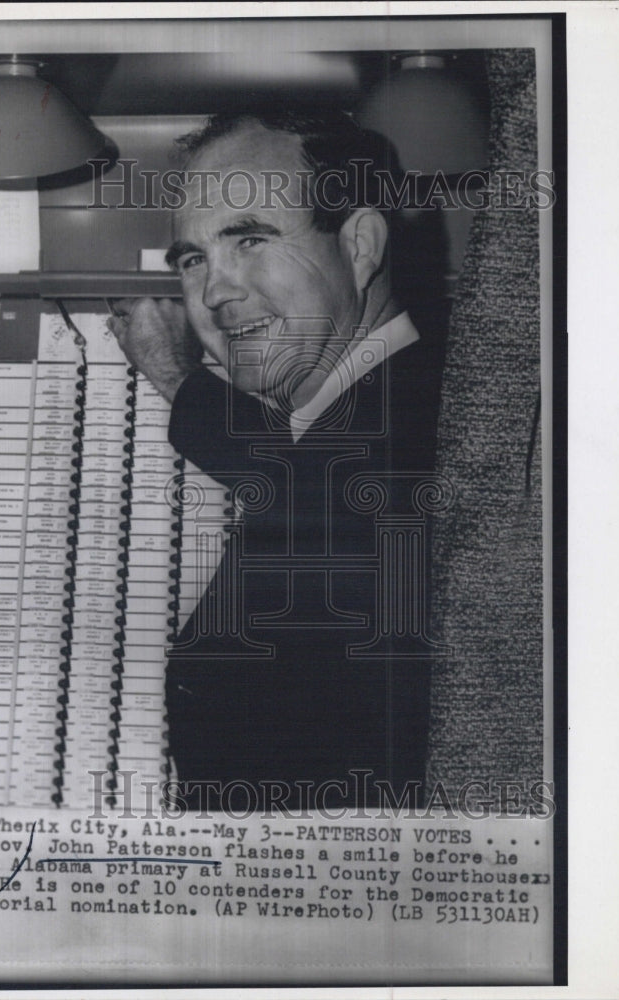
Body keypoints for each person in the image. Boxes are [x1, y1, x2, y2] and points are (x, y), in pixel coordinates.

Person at [108, 111, 444, 811]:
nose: (214, 293)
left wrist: (180, 379)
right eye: (193, 259)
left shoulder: (432, 404)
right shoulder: (353, 417)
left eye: (251, 241)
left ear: (359, 245)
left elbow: (344, 497)